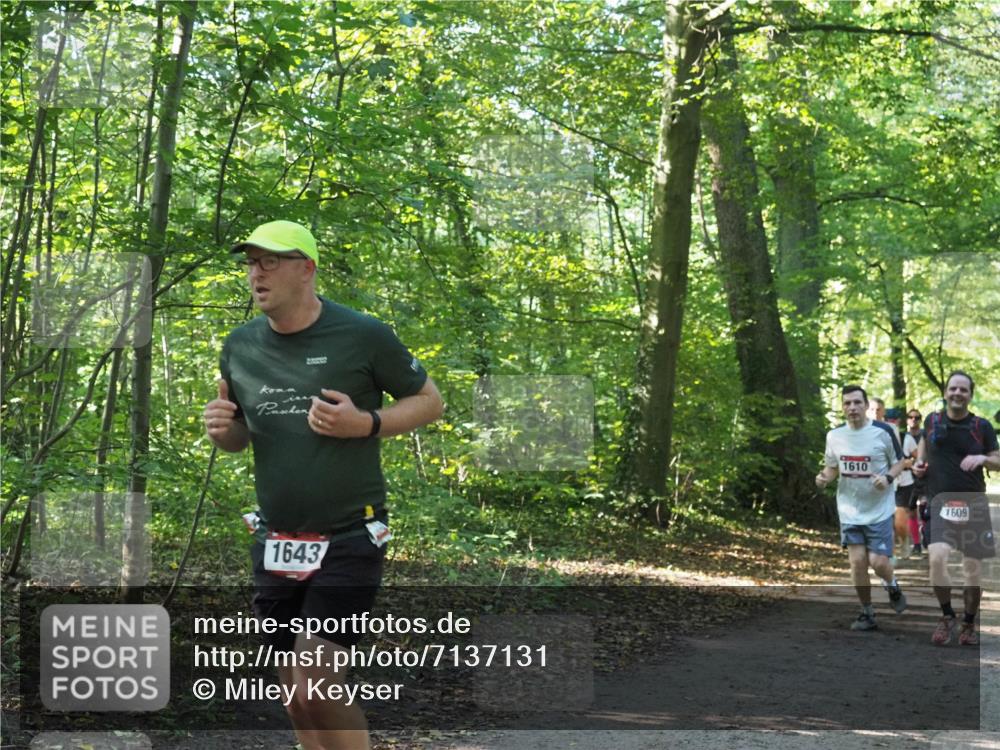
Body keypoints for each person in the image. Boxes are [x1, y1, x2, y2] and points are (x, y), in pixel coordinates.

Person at [203, 220, 444, 750]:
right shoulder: (240, 346)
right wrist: (225, 432)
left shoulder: (362, 335)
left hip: (349, 534)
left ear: (306, 269)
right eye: (250, 262)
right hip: (277, 540)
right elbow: (241, 436)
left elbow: (430, 400)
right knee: (294, 689)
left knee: (317, 677)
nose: (255, 272)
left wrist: (368, 423)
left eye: (269, 261)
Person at [913, 371, 999, 646]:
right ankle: (947, 615)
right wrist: (918, 465)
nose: (957, 393)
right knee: (937, 558)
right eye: (953, 389)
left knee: (972, 570)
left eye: (963, 390)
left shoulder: (981, 426)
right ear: (946, 392)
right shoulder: (932, 420)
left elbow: (998, 460)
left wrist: (983, 457)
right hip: (941, 502)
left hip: (973, 503)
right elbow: (922, 451)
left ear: (970, 395)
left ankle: (969, 623)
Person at [816, 385, 908, 631]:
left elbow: (900, 463)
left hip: (879, 509)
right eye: (847, 403)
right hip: (849, 509)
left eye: (857, 403)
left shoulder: (883, 432)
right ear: (843, 407)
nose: (852, 408)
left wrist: (887, 478)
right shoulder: (834, 436)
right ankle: (867, 612)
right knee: (857, 562)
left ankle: (892, 586)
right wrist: (824, 477)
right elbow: (832, 467)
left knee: (878, 563)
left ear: (867, 406)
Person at [893, 409, 922, 557]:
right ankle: (886, 550)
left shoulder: (907, 439)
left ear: (898, 422)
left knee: (901, 518)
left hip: (904, 482)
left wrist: (911, 463)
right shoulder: (875, 437)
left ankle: (905, 542)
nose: (890, 423)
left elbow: (919, 457)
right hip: (883, 483)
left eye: (893, 420)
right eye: (887, 420)